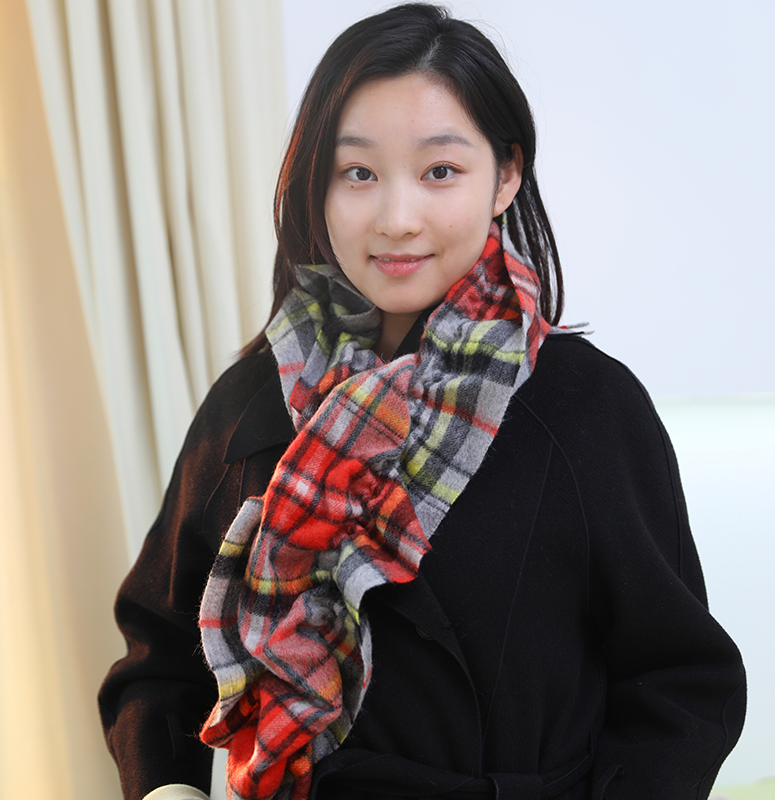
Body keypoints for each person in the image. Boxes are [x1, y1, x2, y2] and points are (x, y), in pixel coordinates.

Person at [98, 5, 746, 800]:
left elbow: (683, 687)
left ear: (505, 176)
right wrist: (166, 790)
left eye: (440, 171)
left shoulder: (589, 408)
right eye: (358, 173)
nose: (396, 219)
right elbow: (156, 658)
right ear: (317, 185)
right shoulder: (251, 402)